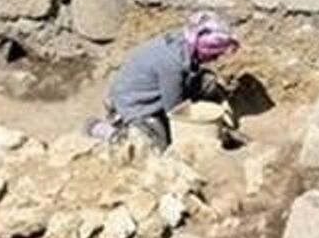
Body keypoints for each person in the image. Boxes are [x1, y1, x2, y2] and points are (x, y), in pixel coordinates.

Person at [99, 12, 240, 150]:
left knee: (207, 81)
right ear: (205, 49)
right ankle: (105, 130)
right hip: (133, 103)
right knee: (154, 146)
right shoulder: (172, 63)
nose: (216, 59)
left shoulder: (186, 38)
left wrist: (221, 105)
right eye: (215, 55)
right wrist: (203, 130)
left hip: (156, 89)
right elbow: (175, 111)